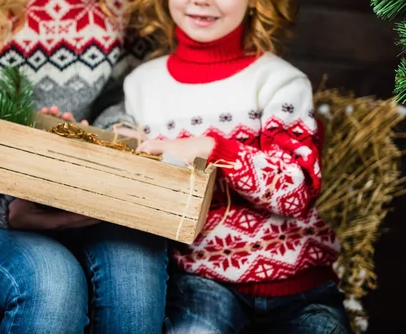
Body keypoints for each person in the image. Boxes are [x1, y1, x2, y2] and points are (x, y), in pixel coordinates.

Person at [0, 0, 168, 333]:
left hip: (88, 199)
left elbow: (122, 98)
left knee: (134, 282)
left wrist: (87, 138)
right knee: (50, 279)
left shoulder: (126, 6)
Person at [120, 0, 351, 333]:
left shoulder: (280, 82)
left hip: (299, 291)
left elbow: (296, 192)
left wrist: (215, 148)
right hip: (201, 284)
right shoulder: (141, 85)